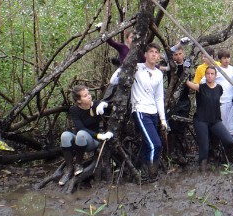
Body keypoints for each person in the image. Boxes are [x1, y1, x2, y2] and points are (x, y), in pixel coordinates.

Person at [106, 43, 167, 181]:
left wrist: (163, 119)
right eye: (151, 51)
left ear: (158, 56)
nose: (153, 54)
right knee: (155, 144)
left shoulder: (158, 74)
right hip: (140, 110)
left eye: (156, 52)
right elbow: (114, 80)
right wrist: (125, 65)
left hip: (153, 112)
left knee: (147, 144)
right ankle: (152, 173)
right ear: (145, 54)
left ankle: (144, 171)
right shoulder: (136, 67)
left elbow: (159, 97)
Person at [59, 85, 114, 186]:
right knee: (65, 135)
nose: (89, 96)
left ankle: (79, 164)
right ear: (79, 100)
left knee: (81, 134)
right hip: (83, 139)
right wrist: (99, 135)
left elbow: (113, 108)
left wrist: (104, 105)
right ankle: (69, 169)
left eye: (88, 94)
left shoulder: (96, 104)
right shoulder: (74, 110)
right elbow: (80, 127)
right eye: (85, 96)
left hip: (92, 141)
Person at [186, 66, 233, 170]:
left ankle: (228, 162)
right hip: (201, 120)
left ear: (215, 75)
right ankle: (202, 169)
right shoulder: (200, 87)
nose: (210, 76)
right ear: (205, 75)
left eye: (212, 74)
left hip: (215, 120)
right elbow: (187, 82)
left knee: (229, 140)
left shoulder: (219, 88)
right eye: (208, 73)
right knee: (204, 147)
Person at [215, 49, 233, 136]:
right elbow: (204, 81)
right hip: (221, 101)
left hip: (231, 100)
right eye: (224, 58)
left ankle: (232, 143)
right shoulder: (216, 70)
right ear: (220, 59)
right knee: (223, 124)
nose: (227, 60)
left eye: (228, 57)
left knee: (232, 125)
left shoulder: (232, 69)